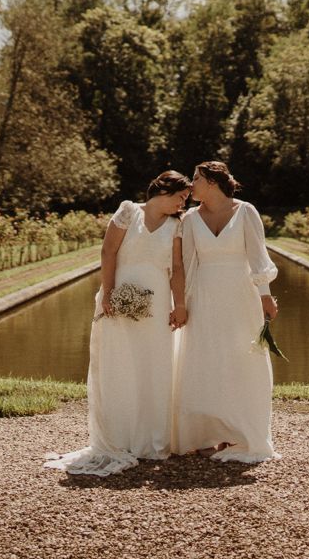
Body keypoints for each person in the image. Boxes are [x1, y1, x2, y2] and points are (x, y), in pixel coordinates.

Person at [44, 171, 190, 476]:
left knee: (155, 365)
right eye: (181, 196)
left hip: (158, 303)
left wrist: (179, 304)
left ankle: (151, 440)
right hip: (119, 298)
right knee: (120, 364)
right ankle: (121, 437)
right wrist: (108, 293)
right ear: (164, 190)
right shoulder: (127, 211)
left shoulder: (178, 225)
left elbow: (176, 268)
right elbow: (108, 251)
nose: (184, 202)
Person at [171, 160, 280, 463]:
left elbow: (258, 258)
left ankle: (238, 431)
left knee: (239, 359)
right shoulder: (190, 219)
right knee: (204, 358)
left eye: (195, 178)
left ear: (212, 181)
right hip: (203, 296)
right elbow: (187, 265)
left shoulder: (245, 211)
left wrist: (265, 297)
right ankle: (204, 433)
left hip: (240, 296)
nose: (190, 184)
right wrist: (180, 304)